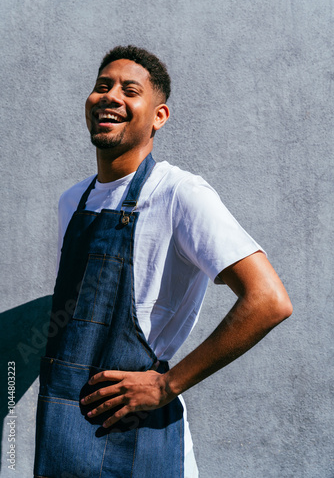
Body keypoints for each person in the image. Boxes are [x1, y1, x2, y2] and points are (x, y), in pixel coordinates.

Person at [33, 45, 292, 478]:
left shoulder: (177, 193)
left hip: (140, 441)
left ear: (159, 116)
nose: (111, 96)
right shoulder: (72, 203)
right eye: (102, 86)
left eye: (129, 90)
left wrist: (165, 386)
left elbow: (268, 300)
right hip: (63, 433)